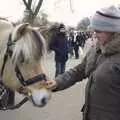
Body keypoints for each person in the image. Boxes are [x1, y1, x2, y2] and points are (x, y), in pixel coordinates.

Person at [42, 5, 120, 120]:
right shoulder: (96, 49)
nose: (94, 34)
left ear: (112, 31)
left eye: (98, 30)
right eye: (93, 30)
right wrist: (57, 82)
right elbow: (79, 70)